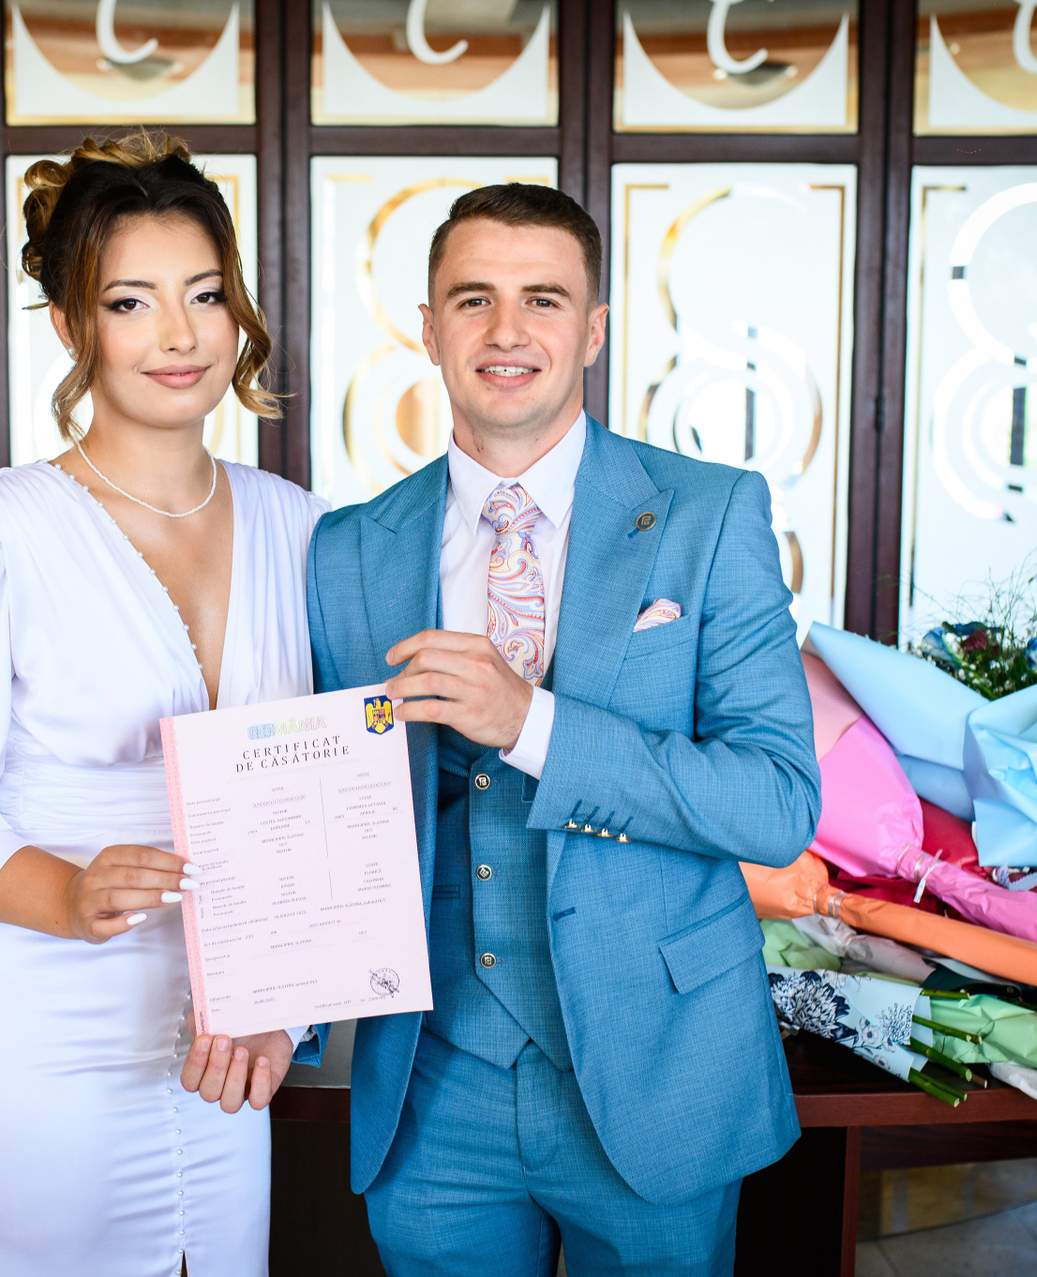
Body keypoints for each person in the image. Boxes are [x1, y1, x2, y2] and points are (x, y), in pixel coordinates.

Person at [304, 184, 822, 1275]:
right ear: (429, 326)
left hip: (657, 1072)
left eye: (542, 299)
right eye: (473, 299)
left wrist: (531, 721)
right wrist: (277, 1003)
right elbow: (318, 813)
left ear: (592, 329)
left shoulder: (709, 512)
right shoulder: (346, 548)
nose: (507, 331)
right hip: (431, 1092)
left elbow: (777, 802)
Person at [0, 133, 323, 1277]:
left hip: (224, 1039)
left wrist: (283, 1005)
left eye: (206, 293)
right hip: (25, 1035)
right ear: (70, 326)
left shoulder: (301, 526)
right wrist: (65, 889)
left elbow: (319, 796)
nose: (180, 335)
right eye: (130, 301)